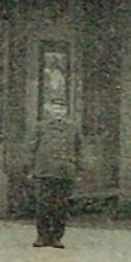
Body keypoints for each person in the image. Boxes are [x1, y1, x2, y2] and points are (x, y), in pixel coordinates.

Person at [27, 95, 80, 248]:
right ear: (50, 110)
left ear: (66, 111)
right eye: (55, 108)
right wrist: (31, 169)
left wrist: (79, 170)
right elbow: (32, 149)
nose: (58, 111)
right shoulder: (41, 127)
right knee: (43, 205)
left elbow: (79, 150)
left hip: (65, 171)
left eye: (61, 109)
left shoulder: (73, 128)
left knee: (61, 206)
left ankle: (57, 237)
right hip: (45, 171)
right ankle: (42, 236)